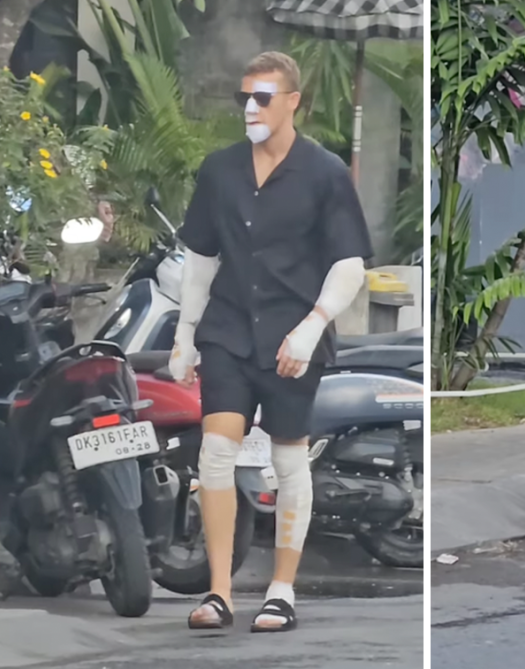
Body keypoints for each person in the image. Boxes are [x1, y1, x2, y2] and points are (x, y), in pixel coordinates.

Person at [168, 51, 373, 632]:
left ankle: (281, 589)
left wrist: (312, 327)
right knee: (215, 451)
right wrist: (185, 336)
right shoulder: (220, 170)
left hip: (292, 335)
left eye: (263, 97)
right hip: (229, 327)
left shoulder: (325, 172)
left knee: (287, 458)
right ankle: (219, 592)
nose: (251, 108)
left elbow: (350, 264)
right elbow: (202, 258)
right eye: (244, 98)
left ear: (292, 102)